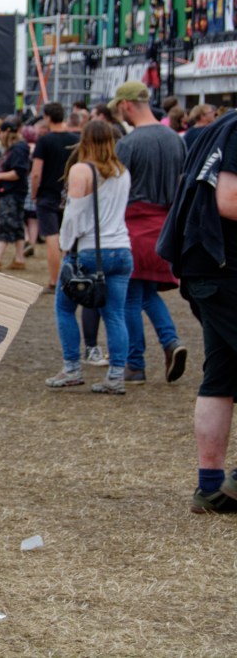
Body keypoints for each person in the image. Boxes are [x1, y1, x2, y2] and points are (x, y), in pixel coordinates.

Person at [157, 110, 237, 513]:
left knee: (222, 376)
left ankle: (210, 488)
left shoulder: (223, 125)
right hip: (225, 268)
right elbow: (229, 198)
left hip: (207, 266)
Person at [45, 120, 133, 395]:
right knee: (115, 314)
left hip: (90, 249)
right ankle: (116, 375)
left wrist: (65, 245)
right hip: (121, 248)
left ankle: (72, 368)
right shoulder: (122, 172)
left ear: (85, 141)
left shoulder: (81, 170)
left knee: (64, 308)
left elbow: (73, 215)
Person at [110, 81, 188, 385]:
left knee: (130, 297)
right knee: (147, 293)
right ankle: (170, 342)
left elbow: (114, 189)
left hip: (133, 226)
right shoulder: (176, 140)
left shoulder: (128, 144)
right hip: (164, 227)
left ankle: (135, 363)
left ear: (126, 104)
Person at [30, 102, 80, 292]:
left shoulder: (44, 141)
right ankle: (69, 276)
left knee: (52, 237)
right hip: (71, 193)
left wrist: (34, 193)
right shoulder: (75, 139)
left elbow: (36, 172)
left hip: (47, 194)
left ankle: (54, 280)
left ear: (47, 117)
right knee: (68, 237)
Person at [0, 119, 31, 271]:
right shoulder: (18, 148)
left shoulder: (17, 149)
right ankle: (19, 258)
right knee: (17, 225)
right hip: (15, 191)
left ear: (6, 132)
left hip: (11, 192)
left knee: (5, 223)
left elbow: (18, 172)